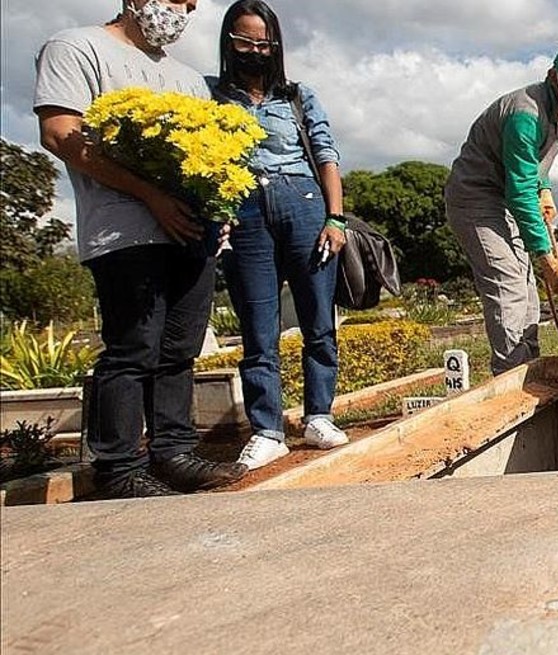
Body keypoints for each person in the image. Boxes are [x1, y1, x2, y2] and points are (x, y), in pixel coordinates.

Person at [34, 0, 247, 498]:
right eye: (178, 0)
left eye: (192, 5)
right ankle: (118, 467)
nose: (187, 9)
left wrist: (219, 210)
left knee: (179, 350)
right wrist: (151, 194)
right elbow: (59, 133)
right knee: (133, 348)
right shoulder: (77, 48)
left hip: (190, 232)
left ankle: (174, 453)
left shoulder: (189, 80)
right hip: (124, 233)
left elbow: (213, 157)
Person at [207, 0, 349, 471]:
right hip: (244, 208)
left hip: (302, 202)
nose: (253, 50)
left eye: (262, 43)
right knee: (257, 324)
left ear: (275, 45)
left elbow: (326, 154)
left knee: (317, 316)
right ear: (229, 43)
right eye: (243, 41)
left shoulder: (297, 96)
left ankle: (319, 415)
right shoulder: (211, 96)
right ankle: (267, 428)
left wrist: (336, 218)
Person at [445, 41, 558, 376]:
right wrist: (550, 263)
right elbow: (520, 191)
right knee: (508, 287)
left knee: (528, 293)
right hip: (477, 200)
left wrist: (545, 190)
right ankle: (509, 380)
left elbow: (532, 170)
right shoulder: (525, 114)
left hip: (504, 198)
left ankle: (531, 371)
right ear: (554, 76)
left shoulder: (556, 112)